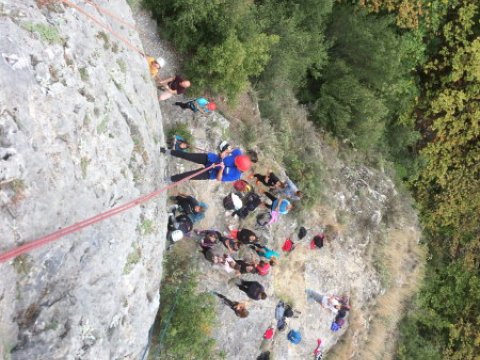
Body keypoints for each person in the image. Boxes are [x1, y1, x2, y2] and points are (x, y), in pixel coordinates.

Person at [160, 147, 253, 183]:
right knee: (187, 156)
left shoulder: (235, 176)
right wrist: (224, 152)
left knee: (189, 176)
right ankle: (168, 151)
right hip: (211, 158)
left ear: (238, 167)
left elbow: (219, 178)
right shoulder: (239, 154)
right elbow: (231, 150)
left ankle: (169, 179)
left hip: (210, 172)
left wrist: (221, 169)